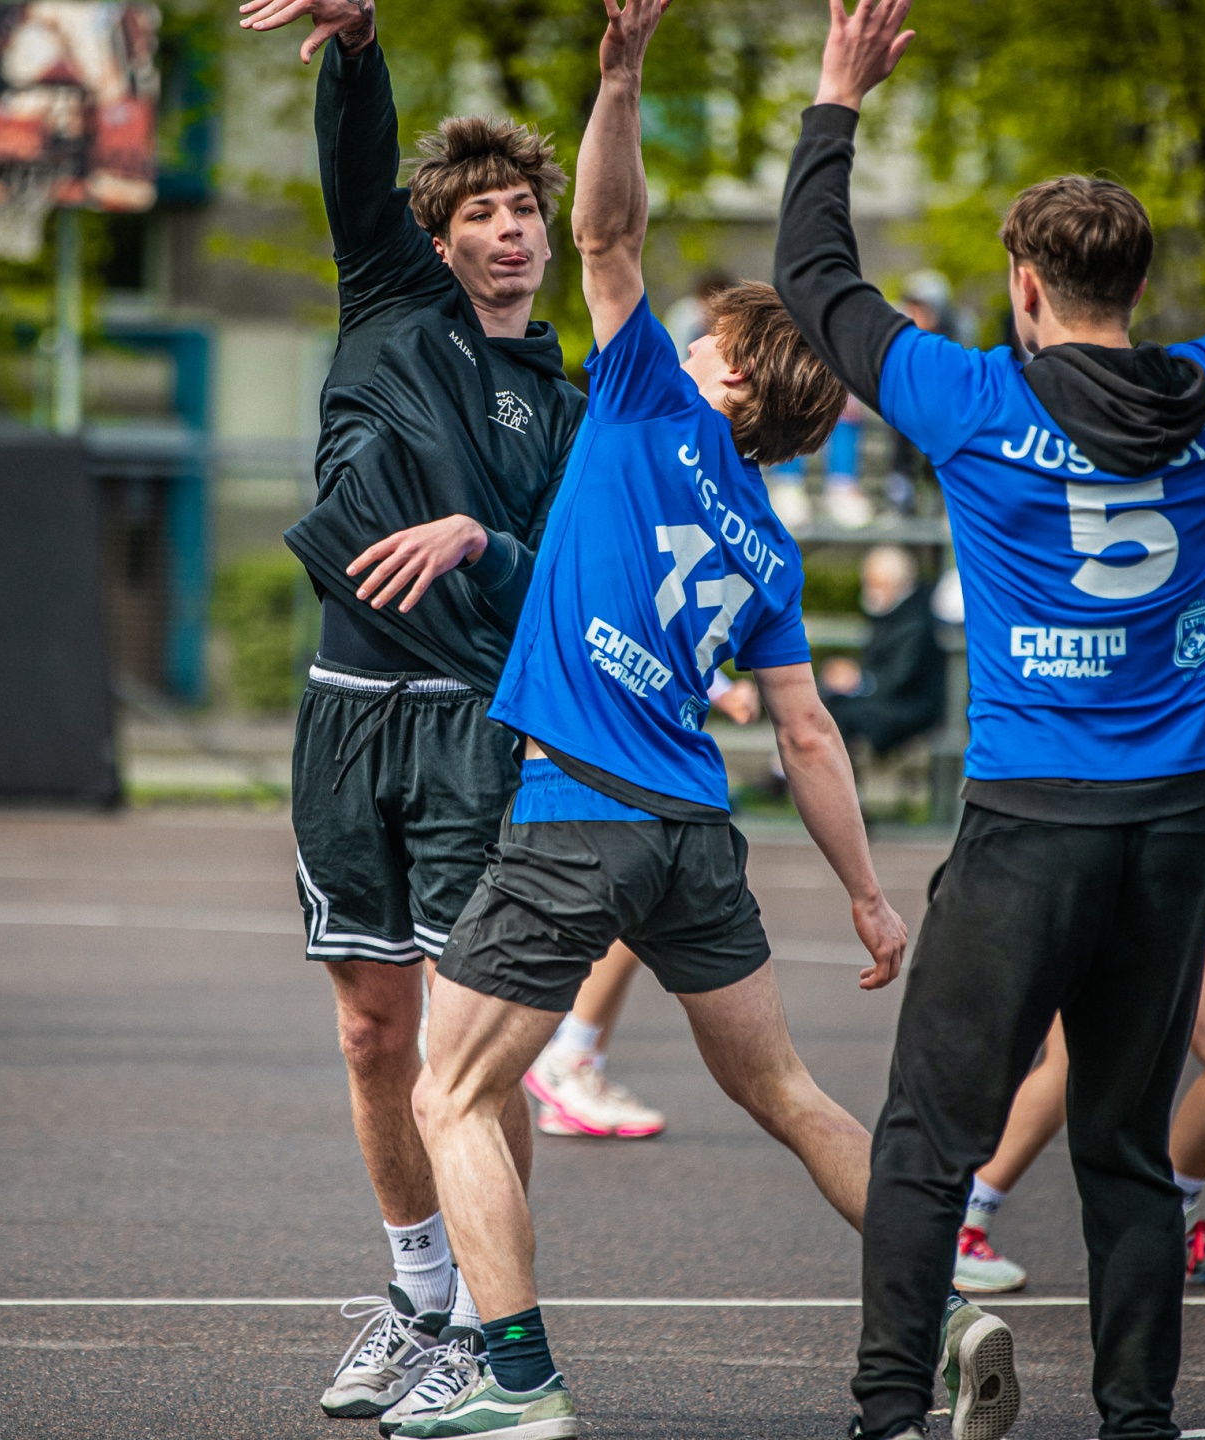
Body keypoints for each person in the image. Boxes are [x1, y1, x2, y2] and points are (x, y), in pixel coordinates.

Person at [399, 6, 1017, 1435]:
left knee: (449, 1094)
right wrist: (868, 895)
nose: (678, 336)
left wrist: (619, 77)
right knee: (787, 1091)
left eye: (704, 336)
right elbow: (806, 736)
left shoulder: (642, 404)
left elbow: (606, 232)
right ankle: (945, 1310)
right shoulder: (772, 550)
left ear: (728, 371)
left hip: (579, 811)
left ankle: (516, 1380)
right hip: (692, 832)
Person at [773, 0, 1205, 1434]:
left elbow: (813, 274)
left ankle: (888, 1413)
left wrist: (839, 94)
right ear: (1139, 285)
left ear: (1025, 286)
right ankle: (1136, 1421)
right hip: (1169, 831)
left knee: (926, 1144)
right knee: (1128, 1156)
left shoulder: (971, 398)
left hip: (1029, 826)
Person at [234, 0, 587, 1423]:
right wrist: (361, 45)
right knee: (372, 1034)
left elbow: (560, 584)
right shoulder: (390, 304)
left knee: (470, 1047)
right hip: (345, 715)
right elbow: (356, 160)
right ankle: (418, 1295)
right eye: (483, 212)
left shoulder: (565, 405)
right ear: (440, 242)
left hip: (467, 725)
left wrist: (481, 544)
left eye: (525, 211)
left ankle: (496, 1335)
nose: (509, 229)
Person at [956, 513, 1205, 1295]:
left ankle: (980, 1218)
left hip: (1167, 866)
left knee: (1098, 1060)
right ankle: (982, 1220)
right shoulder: (1163, 642)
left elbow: (1199, 768)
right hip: (1106, 863)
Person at [525, 674, 760, 1142]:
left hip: (616, 747)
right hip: (591, 751)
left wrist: (721, 690)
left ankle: (577, 1064)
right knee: (632, 906)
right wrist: (722, 691)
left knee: (632, 912)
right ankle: (567, 1059)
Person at [818, 545, 947, 757]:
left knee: (841, 713)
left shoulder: (915, 624)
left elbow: (899, 679)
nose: (870, 591)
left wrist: (857, 680)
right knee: (832, 704)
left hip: (911, 708)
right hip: (893, 702)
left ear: (900, 584)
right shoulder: (895, 614)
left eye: (877, 584)